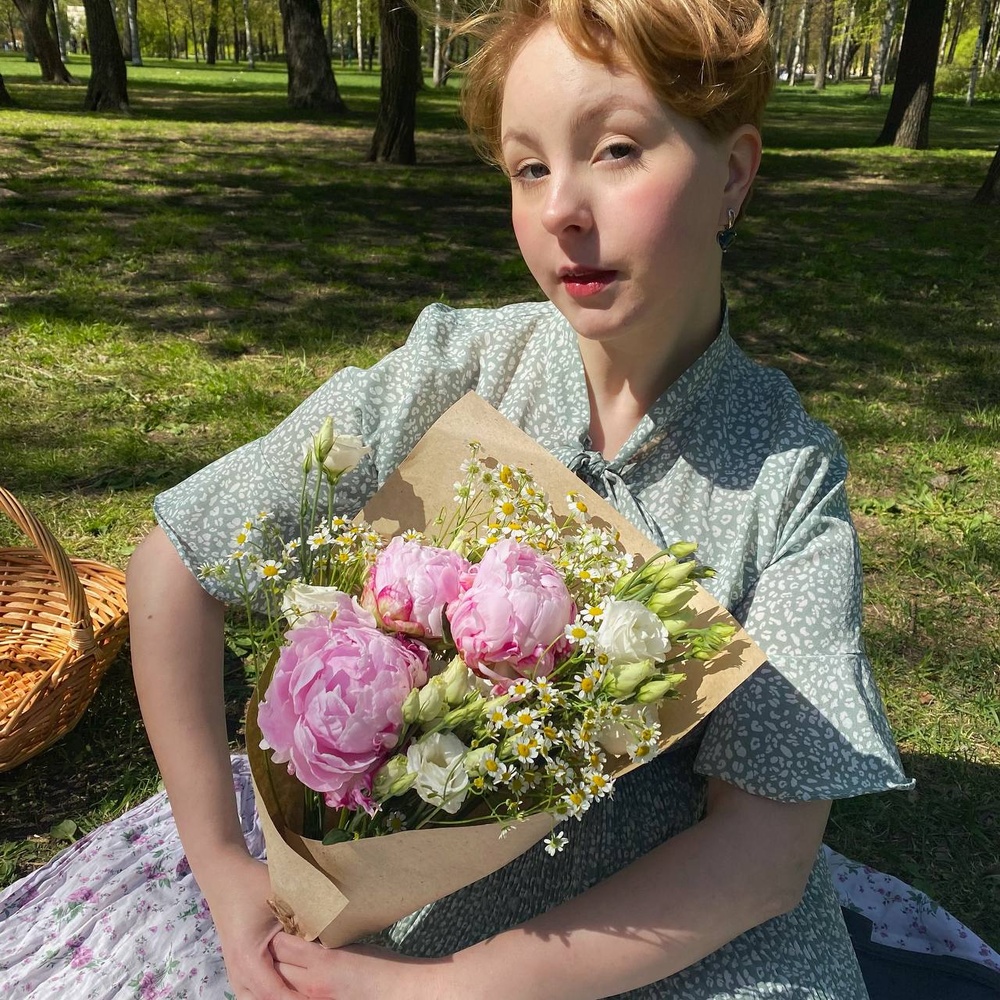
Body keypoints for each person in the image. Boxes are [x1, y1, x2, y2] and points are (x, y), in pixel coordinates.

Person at [130, 1, 911, 998]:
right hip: (409, 920)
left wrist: (443, 989)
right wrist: (223, 866)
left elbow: (760, 857)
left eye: (617, 149)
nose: (558, 211)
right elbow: (175, 560)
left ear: (733, 173)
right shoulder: (454, 372)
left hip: (687, 947)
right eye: (527, 167)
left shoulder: (785, 478)